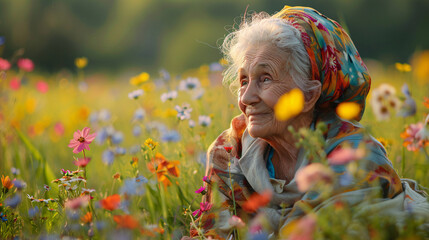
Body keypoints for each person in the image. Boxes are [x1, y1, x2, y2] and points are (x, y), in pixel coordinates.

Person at [190, 5, 429, 239]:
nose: (246, 97)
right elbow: (209, 235)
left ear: (308, 96)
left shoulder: (355, 157)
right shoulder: (230, 149)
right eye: (244, 80)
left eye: (265, 79)